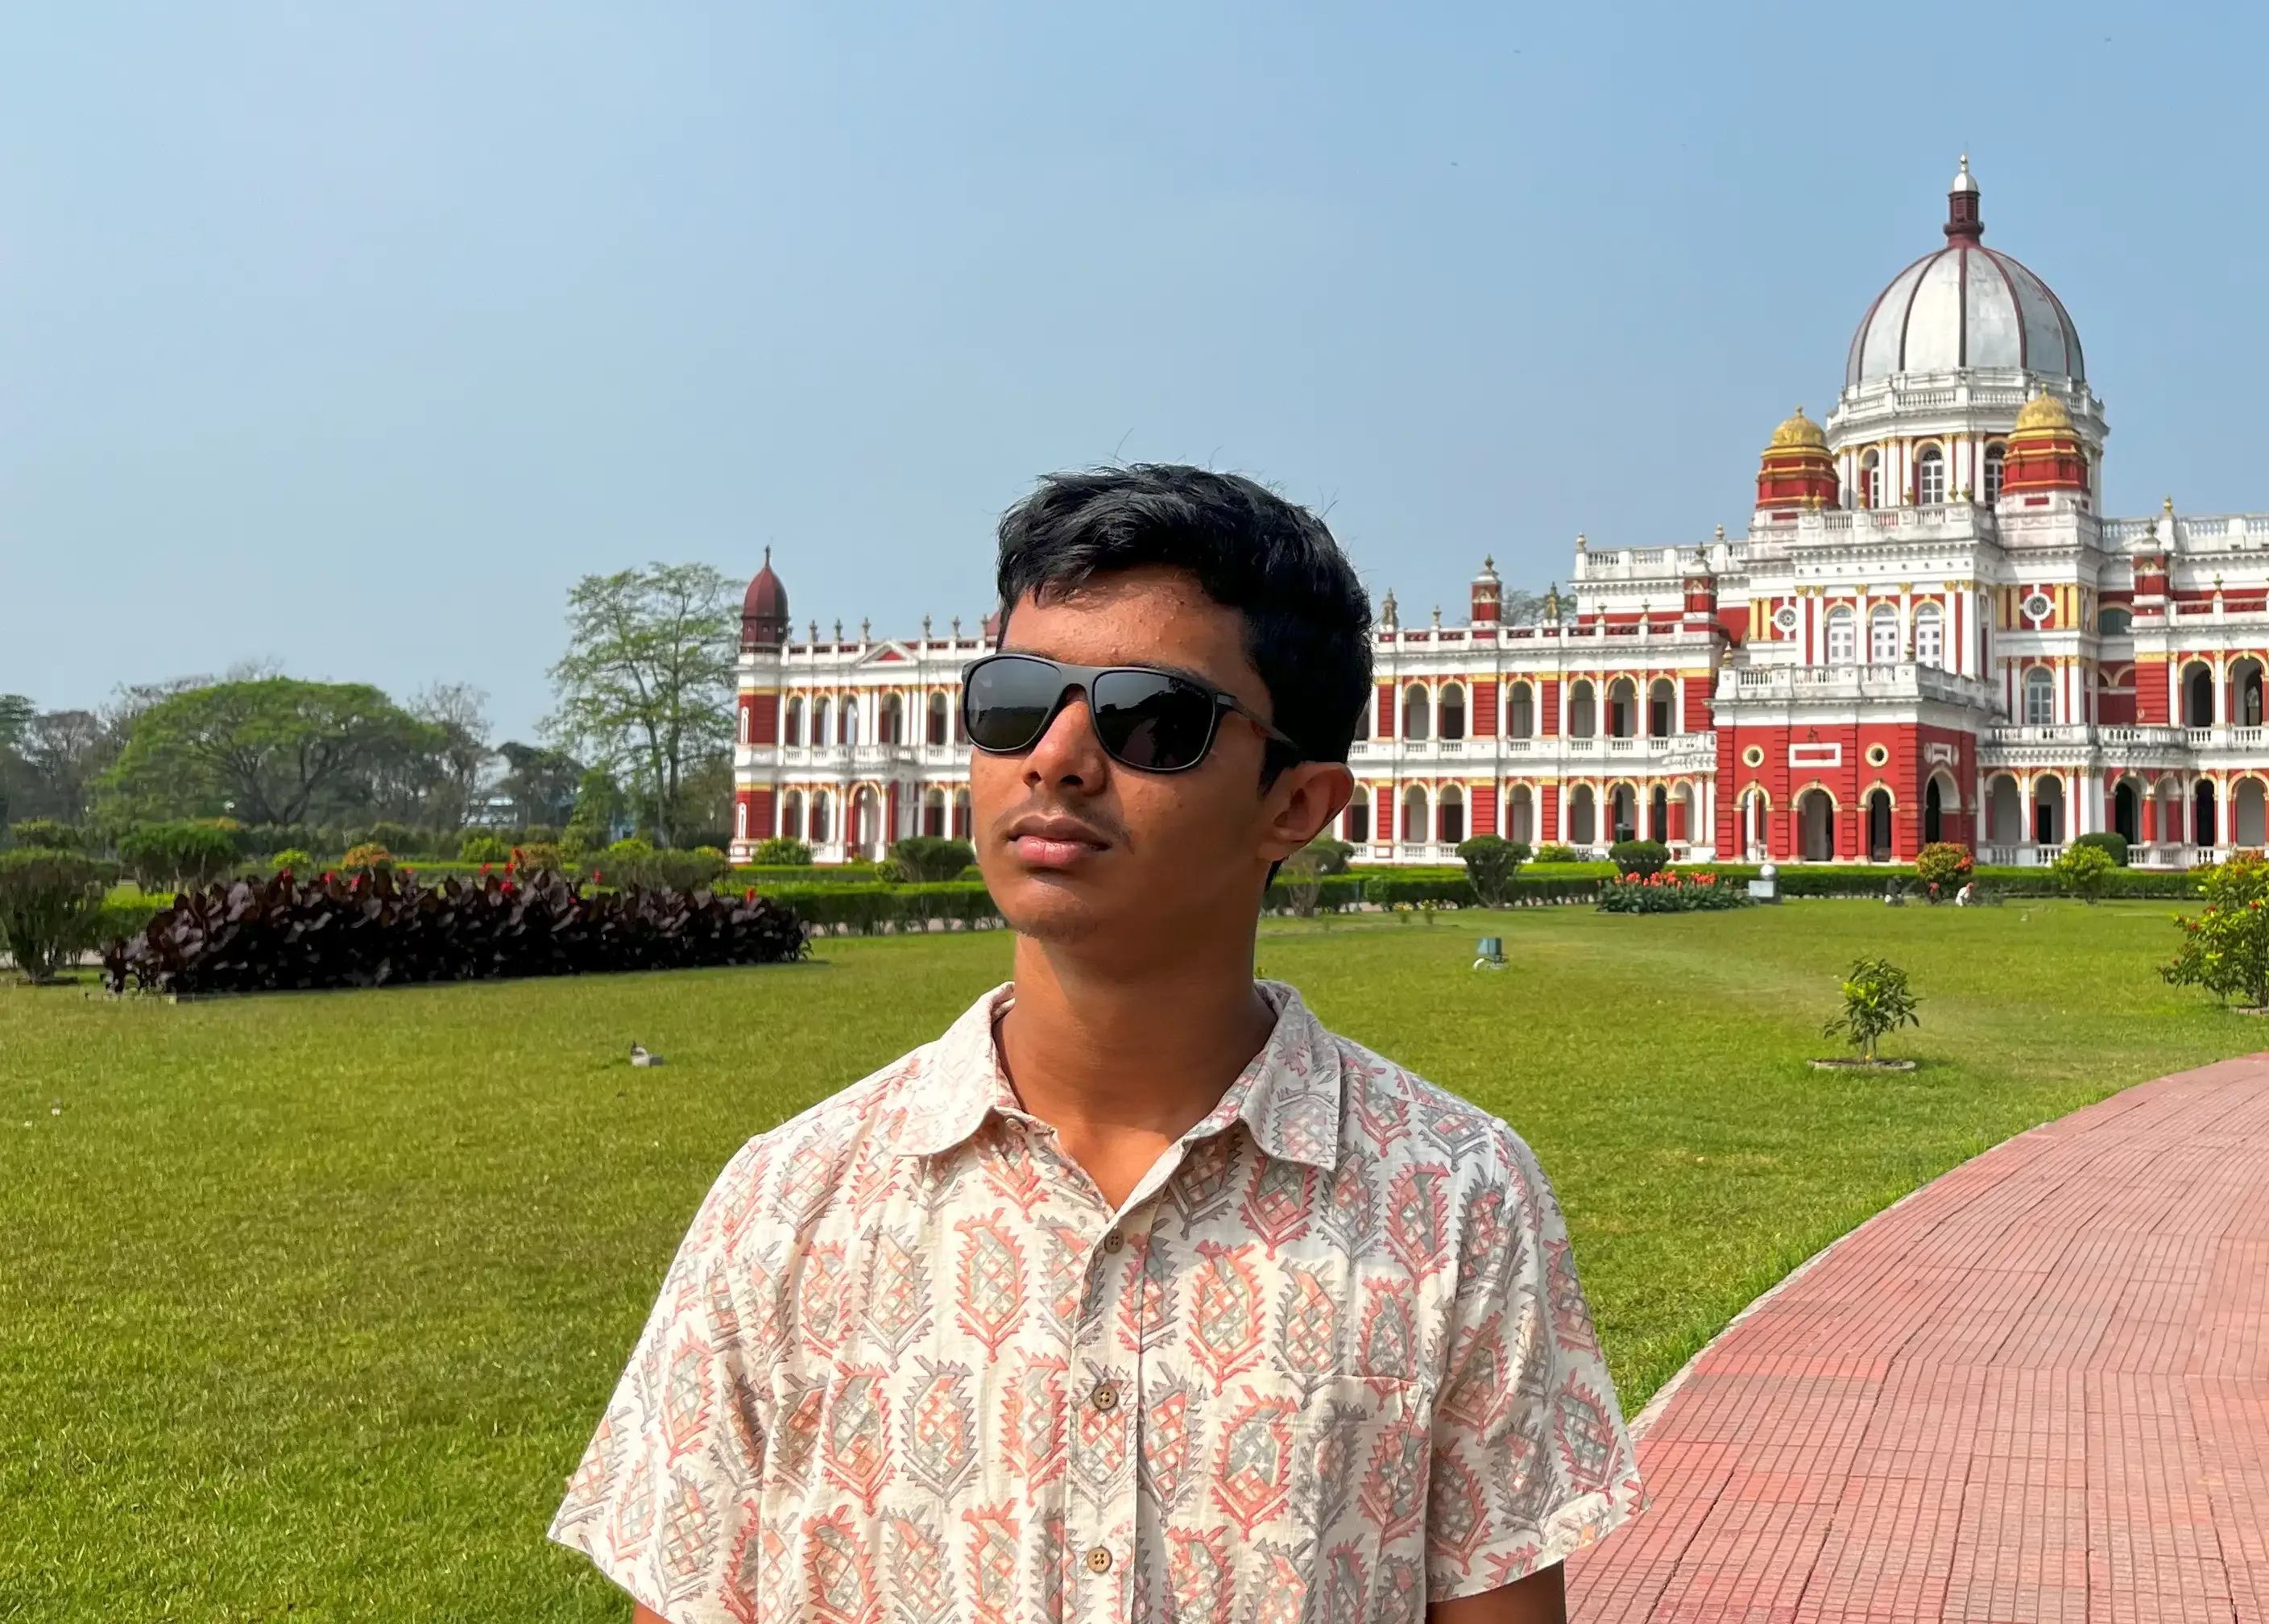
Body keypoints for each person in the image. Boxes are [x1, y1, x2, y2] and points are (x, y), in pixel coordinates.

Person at [551, 466, 1642, 1623]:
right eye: (1015, 701)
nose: (1058, 758)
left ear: (1299, 805)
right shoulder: (786, 1210)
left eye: (1152, 721)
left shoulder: (1451, 1206)